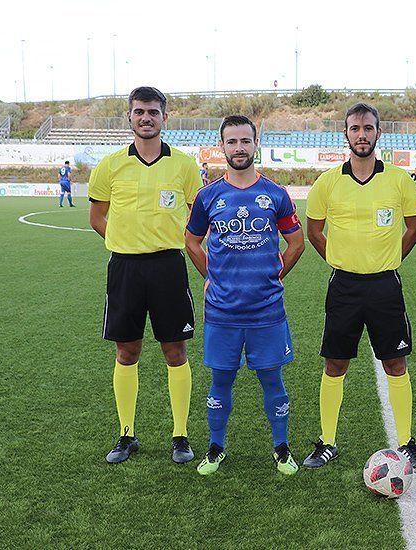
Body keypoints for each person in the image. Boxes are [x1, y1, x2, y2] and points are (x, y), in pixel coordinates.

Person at [302, 102, 416, 469]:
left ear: (378, 133)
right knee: (335, 363)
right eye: (355, 128)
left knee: (395, 362)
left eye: (368, 128)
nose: (362, 135)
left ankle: (406, 442)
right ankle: (327, 441)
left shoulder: (399, 180)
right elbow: (314, 231)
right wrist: (340, 258)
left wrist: (390, 258)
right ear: (346, 133)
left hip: (385, 285)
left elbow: (415, 226)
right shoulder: (328, 182)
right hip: (344, 285)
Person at [185, 115, 305, 476]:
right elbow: (191, 240)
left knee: (273, 380)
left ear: (256, 145)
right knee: (221, 381)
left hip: (266, 310)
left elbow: (296, 242)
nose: (239, 148)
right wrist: (211, 274)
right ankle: (215, 447)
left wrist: (275, 273)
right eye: (232, 142)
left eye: (245, 141)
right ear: (222, 146)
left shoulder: (275, 194)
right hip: (222, 312)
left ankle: (281, 449)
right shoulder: (208, 196)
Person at [88, 86, 202, 465]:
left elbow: (196, 218)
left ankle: (180, 435)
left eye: (153, 112)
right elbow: (97, 217)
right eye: (139, 112)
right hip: (125, 267)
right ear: (129, 117)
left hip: (169, 266)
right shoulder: (110, 165)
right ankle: (126, 435)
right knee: (127, 350)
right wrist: (125, 240)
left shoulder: (184, 166)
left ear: (165, 117)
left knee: (175, 350)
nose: (146, 118)